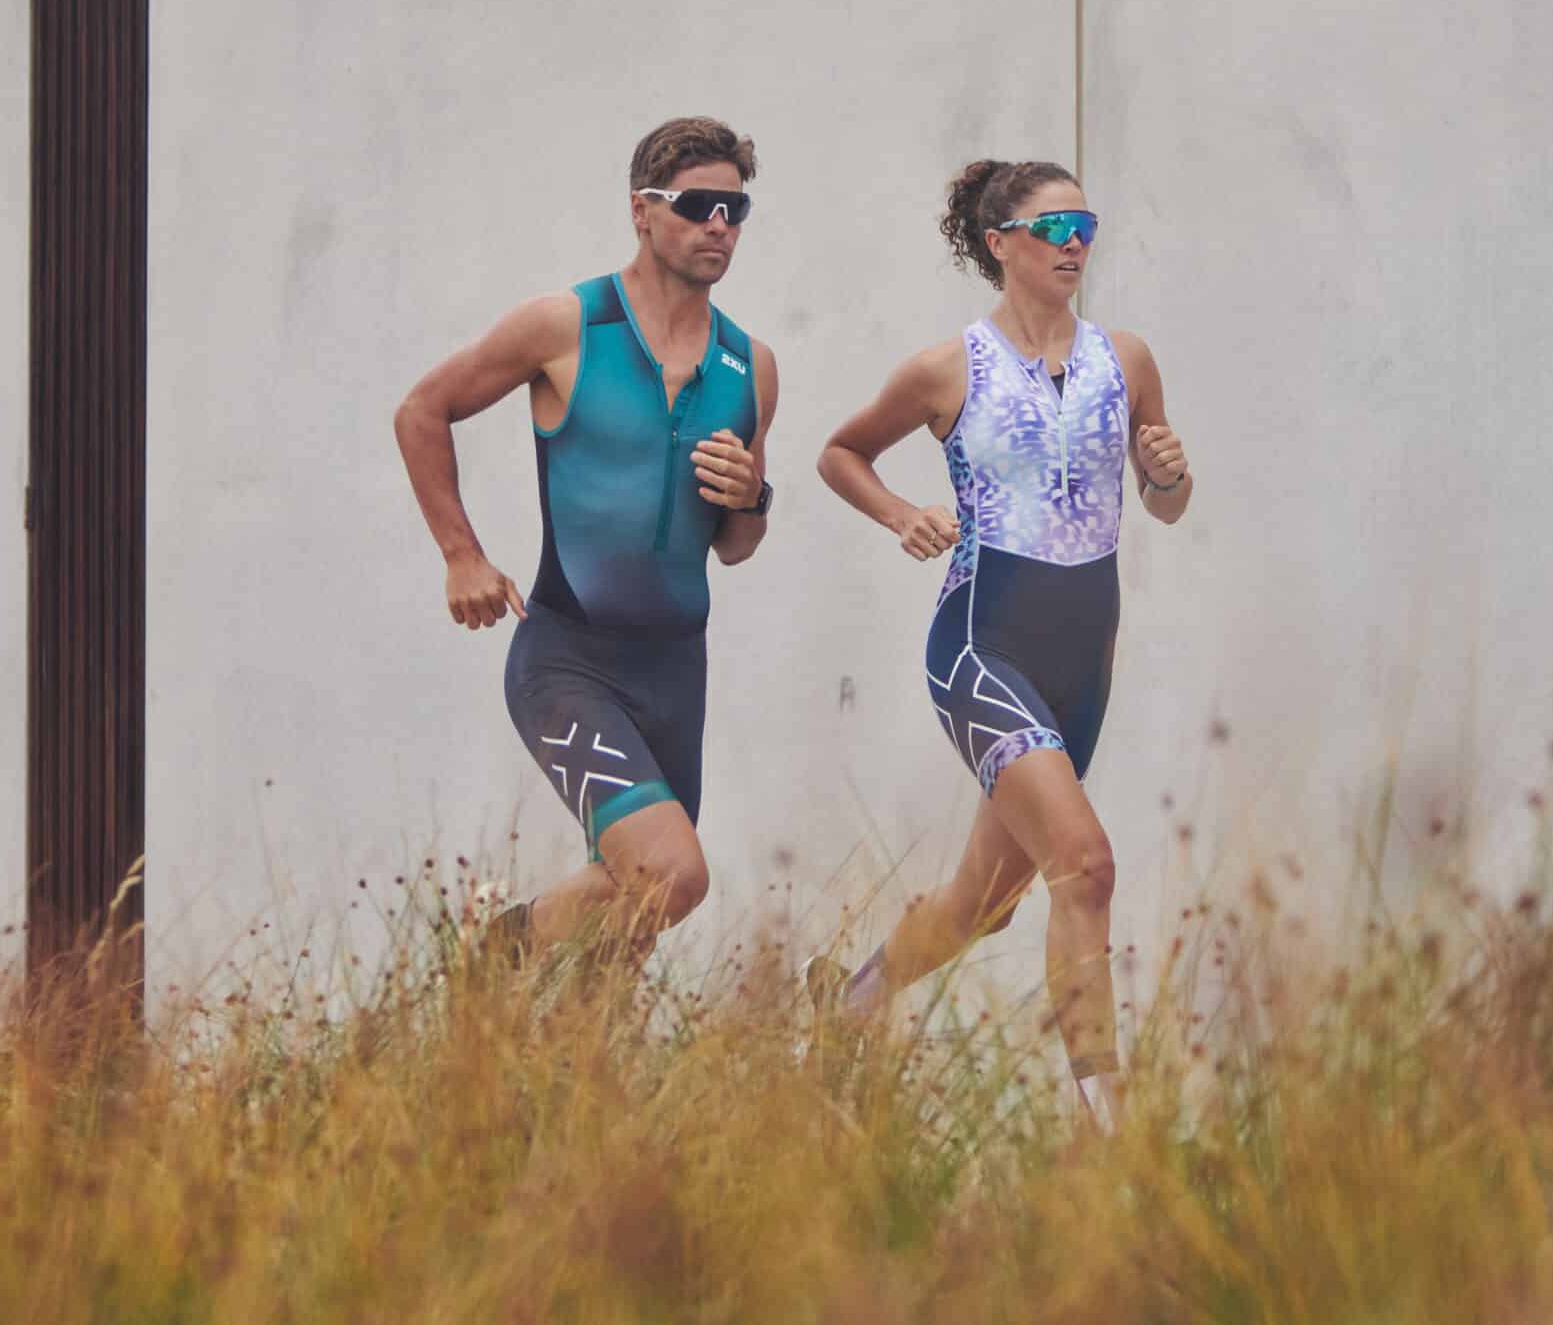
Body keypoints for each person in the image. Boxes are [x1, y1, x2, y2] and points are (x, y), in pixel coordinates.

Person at [810, 160, 1191, 1130]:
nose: (1073, 243)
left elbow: (1167, 504)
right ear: (999, 242)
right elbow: (839, 452)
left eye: (1085, 225)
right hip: (982, 647)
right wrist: (900, 514)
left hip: (1082, 661)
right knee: (1086, 866)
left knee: (987, 904)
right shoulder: (950, 368)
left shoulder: (1129, 360)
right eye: (1052, 225)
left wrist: (1167, 475)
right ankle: (1110, 1132)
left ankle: (845, 1004)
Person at [391, 116, 779, 968]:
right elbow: (423, 410)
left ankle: (565, 1082)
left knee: (631, 926)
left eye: (736, 208)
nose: (720, 225)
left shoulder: (750, 364)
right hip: (570, 660)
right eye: (698, 204)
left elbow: (736, 546)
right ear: (643, 211)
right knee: (674, 874)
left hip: (678, 670)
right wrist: (461, 553)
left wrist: (753, 497)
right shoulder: (566, 325)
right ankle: (499, 953)